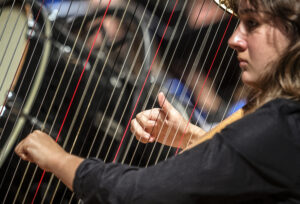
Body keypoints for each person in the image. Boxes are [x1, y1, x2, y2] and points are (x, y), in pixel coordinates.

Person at [14, 0, 300, 203]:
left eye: (252, 23)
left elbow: (137, 193)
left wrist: (57, 158)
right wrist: (192, 138)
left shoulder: (277, 123)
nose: (234, 38)